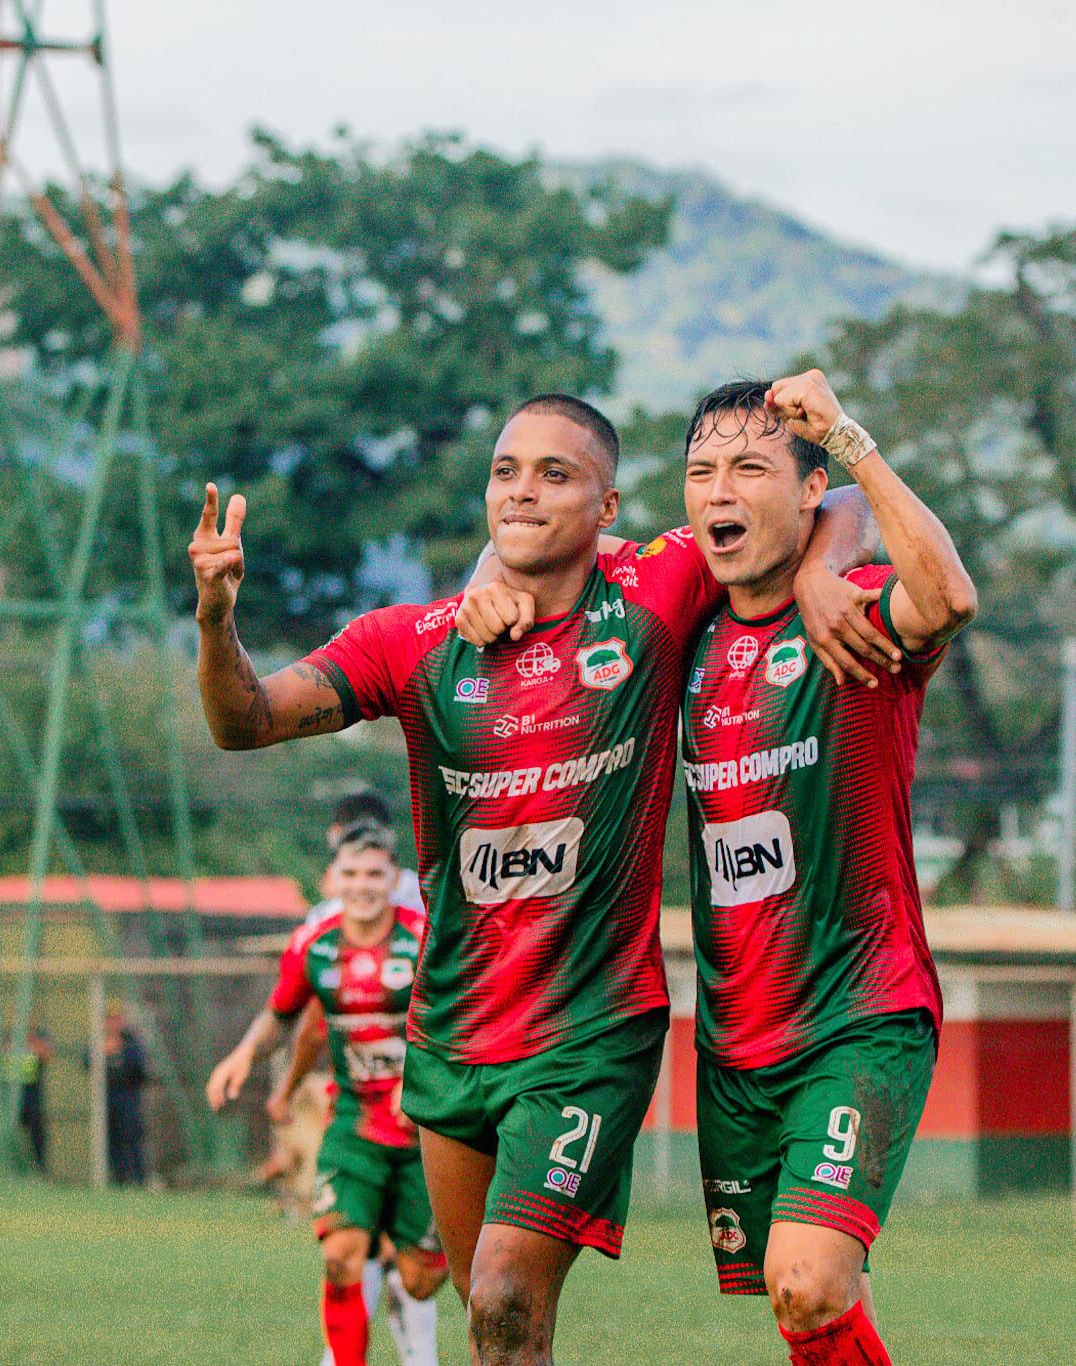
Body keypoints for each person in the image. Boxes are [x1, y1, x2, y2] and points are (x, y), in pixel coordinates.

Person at [189, 391, 878, 1364]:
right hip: (455, 1030)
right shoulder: (416, 638)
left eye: (556, 474)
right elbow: (242, 720)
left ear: (607, 508)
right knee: (488, 1315)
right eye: (506, 472)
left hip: (589, 1031)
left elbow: (833, 497)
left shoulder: (655, 588)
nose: (523, 491)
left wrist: (820, 571)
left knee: (507, 1293)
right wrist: (217, 618)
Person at [461, 371, 973, 1363]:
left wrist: (849, 461)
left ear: (808, 492)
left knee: (806, 1275)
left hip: (858, 1012)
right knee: (804, 1306)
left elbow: (947, 593)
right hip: (737, 1034)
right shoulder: (672, 623)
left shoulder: (850, 614)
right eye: (699, 471)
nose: (717, 491)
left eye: (749, 468)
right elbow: (537, 536)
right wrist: (491, 568)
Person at [208, 825, 447, 1366]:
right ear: (334, 880)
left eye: (374, 874)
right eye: (352, 874)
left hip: (423, 1128)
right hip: (354, 1123)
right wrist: (245, 1054)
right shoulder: (315, 945)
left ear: (393, 879)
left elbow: (462, 1017)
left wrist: (424, 1078)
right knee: (340, 1256)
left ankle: (409, 1252)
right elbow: (285, 1016)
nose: (363, 885)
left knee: (420, 1278)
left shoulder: (425, 939)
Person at [104, 1006, 148, 1186]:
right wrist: (103, 1052)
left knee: (131, 1140)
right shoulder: (100, 1041)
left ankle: (138, 1181)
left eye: (117, 1019)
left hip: (128, 1099)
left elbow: (140, 1069)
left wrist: (121, 1050)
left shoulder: (131, 1041)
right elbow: (86, 1061)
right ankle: (117, 1181)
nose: (113, 1023)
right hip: (107, 1099)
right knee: (111, 1141)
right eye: (109, 1019)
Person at [7, 1023, 54, 1172]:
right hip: (11, 1092)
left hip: (32, 1090)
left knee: (36, 1132)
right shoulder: (9, 1036)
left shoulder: (40, 1035)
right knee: (11, 1132)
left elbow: (47, 1054)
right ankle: (13, 1168)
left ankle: (39, 1168)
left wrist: (34, 1045)